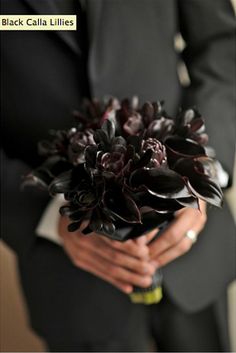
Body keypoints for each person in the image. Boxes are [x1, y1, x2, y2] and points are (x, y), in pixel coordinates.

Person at [1, 0, 236, 351]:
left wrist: (202, 171)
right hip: (69, 281)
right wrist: (48, 217)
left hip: (193, 250)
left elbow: (220, 44)